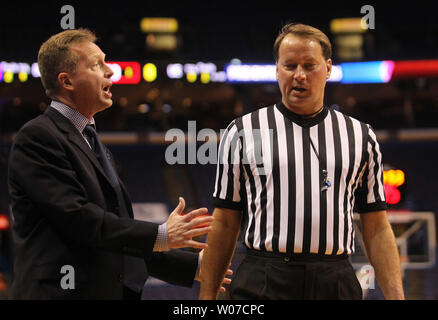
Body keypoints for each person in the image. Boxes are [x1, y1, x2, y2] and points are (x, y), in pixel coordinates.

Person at [7, 28, 221, 300]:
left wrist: (194, 267)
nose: (111, 71)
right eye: (97, 65)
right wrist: (161, 234)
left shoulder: (96, 146)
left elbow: (118, 240)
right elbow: (81, 222)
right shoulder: (38, 137)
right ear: (67, 81)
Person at [199, 23, 405, 300]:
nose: (299, 75)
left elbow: (377, 226)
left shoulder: (361, 135)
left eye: (310, 65)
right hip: (264, 278)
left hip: (335, 280)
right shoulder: (243, 132)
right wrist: (206, 298)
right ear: (276, 70)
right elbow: (224, 222)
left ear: (328, 68)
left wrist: (397, 297)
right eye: (290, 65)